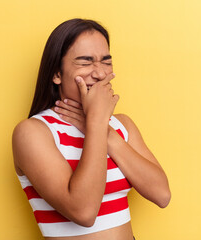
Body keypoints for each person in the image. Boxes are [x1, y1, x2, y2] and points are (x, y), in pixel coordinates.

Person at [12, 18, 171, 240]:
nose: (99, 74)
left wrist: (108, 135)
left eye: (106, 62)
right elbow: (84, 212)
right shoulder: (34, 132)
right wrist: (96, 122)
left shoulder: (121, 126)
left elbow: (162, 195)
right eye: (85, 62)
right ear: (56, 74)